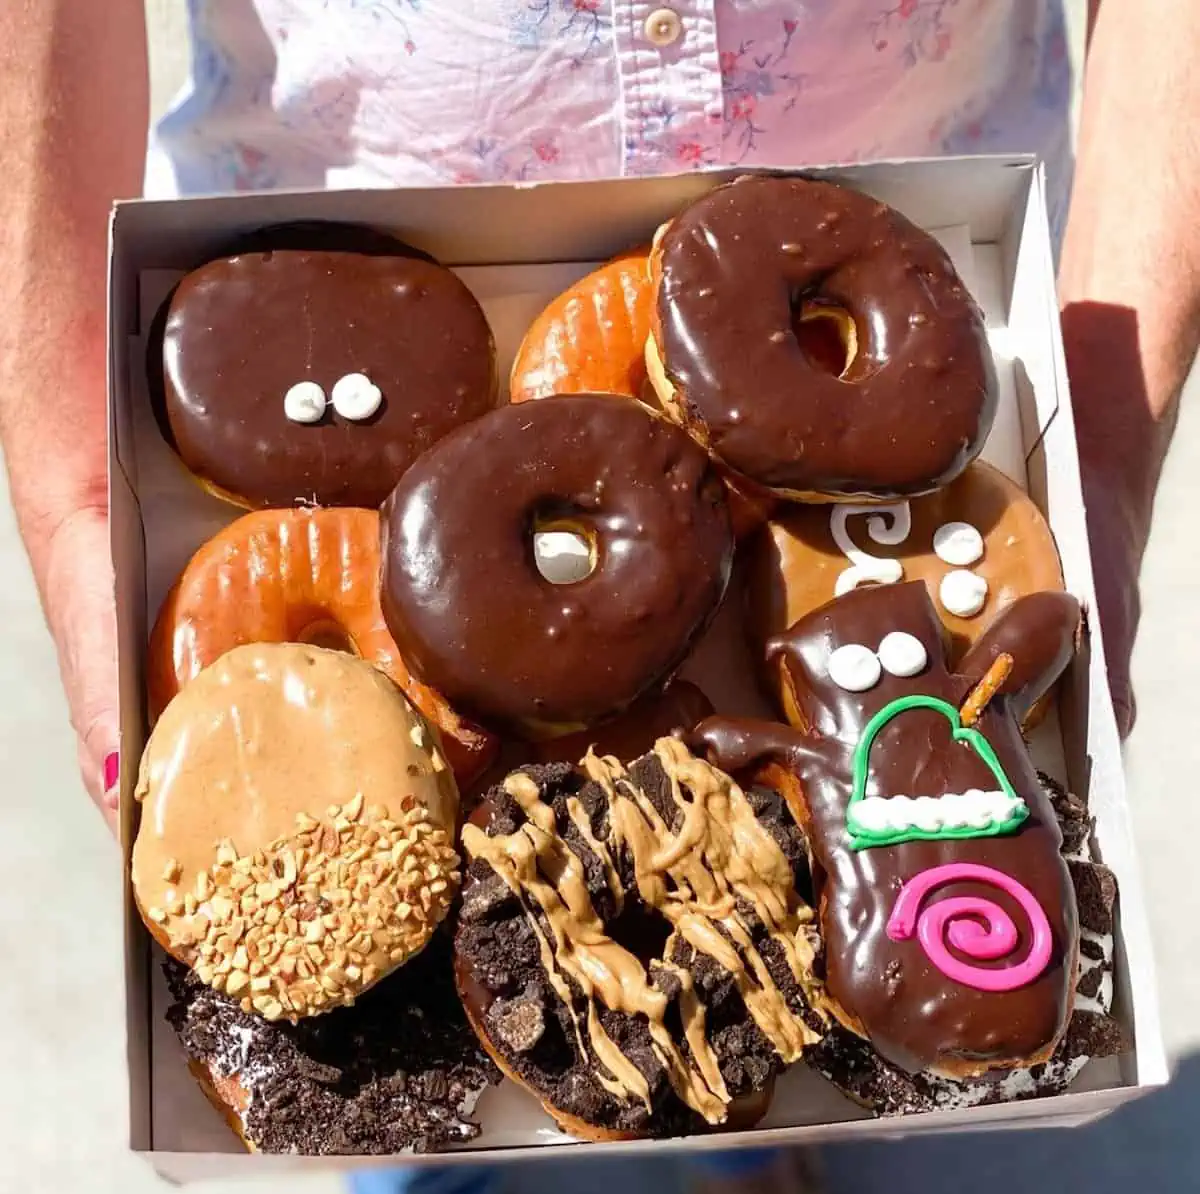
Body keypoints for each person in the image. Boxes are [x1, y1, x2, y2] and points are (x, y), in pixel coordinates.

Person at [2, 2, 1195, 1191]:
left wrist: (1105, 436)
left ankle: (757, 1133)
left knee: (797, 979)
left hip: (918, 179)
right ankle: (431, 1150)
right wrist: (69, 488)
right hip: (338, 190)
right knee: (408, 1059)